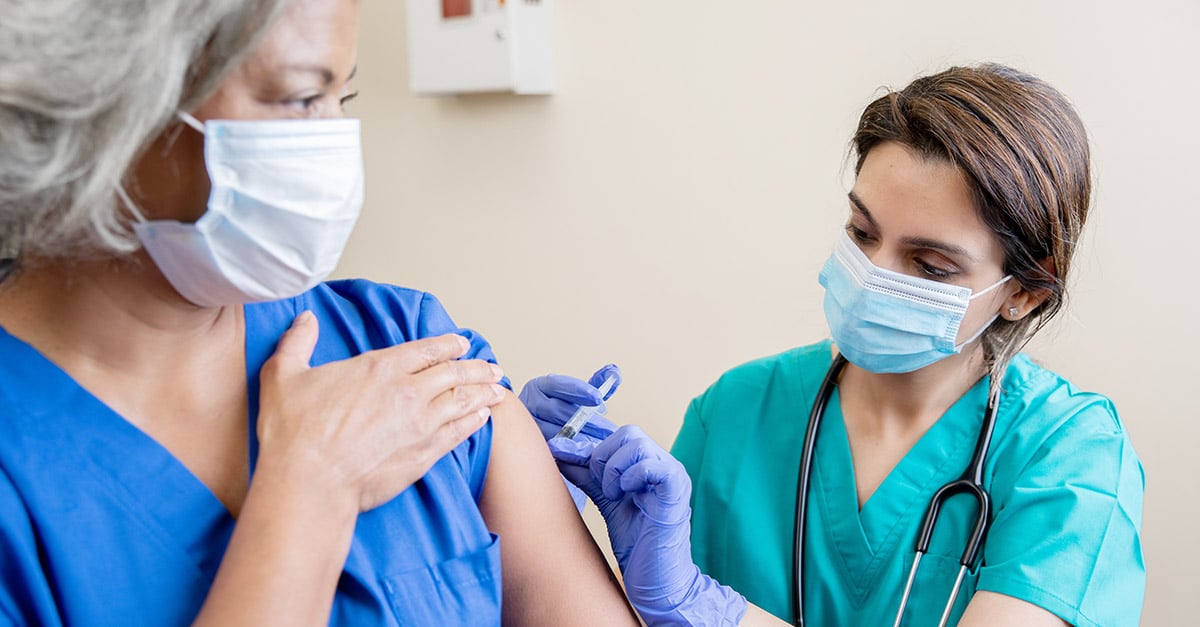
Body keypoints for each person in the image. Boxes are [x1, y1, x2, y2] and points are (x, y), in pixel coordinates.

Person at [0, 1, 645, 624]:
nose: (334, 144)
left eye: (344, 98)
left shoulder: (400, 344)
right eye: (301, 98)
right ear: (104, 97)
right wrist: (310, 491)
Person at [523, 64, 1145, 626]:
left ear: (1024, 293)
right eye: (862, 232)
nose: (875, 274)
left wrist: (705, 610)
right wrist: (541, 505)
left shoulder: (1072, 459)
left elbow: (685, 602)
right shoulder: (737, 411)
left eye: (930, 266)